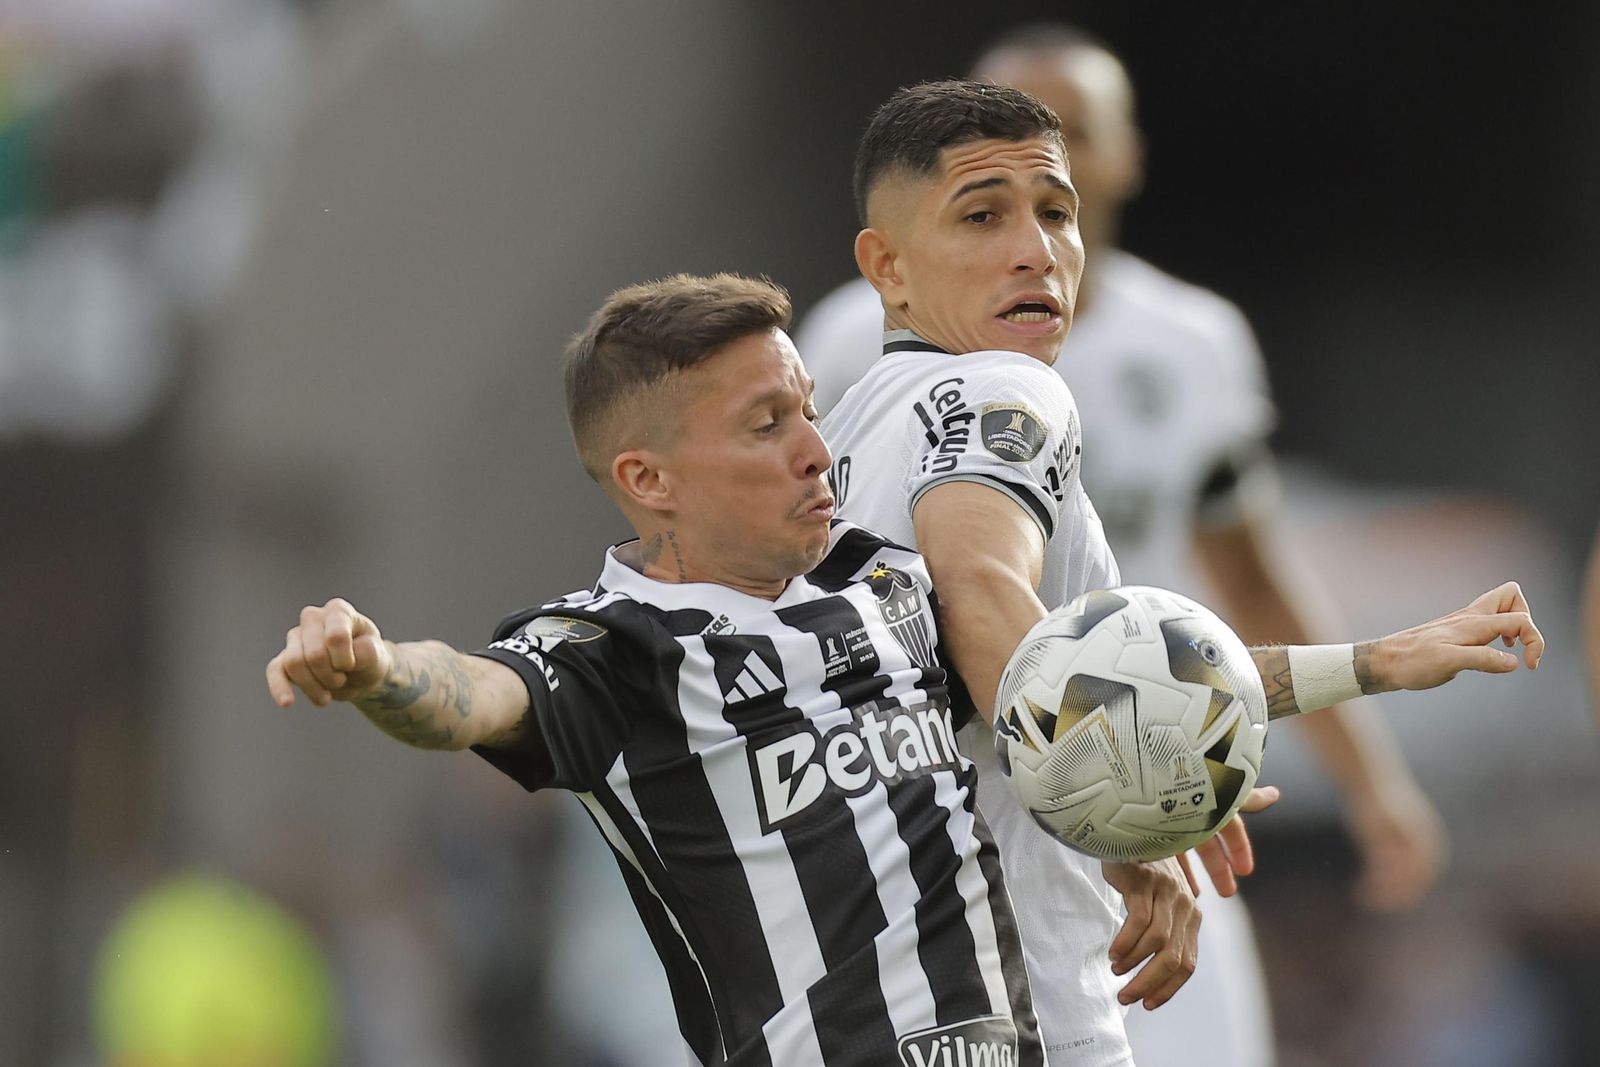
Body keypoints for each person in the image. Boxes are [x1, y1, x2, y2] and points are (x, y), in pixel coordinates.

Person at [265, 266, 1541, 1067]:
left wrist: (1379, 660)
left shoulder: (888, 590)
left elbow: (1113, 685)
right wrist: (375, 666)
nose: (818, 448)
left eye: (811, 408)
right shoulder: (614, 651)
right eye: (768, 425)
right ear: (649, 479)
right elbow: (473, 692)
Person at [816, 78, 1543, 1066]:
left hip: (893, 956)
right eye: (982, 216)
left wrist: (1372, 661)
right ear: (886, 266)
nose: (1035, 248)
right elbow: (983, 593)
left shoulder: (862, 421)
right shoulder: (1002, 392)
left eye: (1054, 212)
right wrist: (1122, 832)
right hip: (1024, 944)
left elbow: (1112, 661)